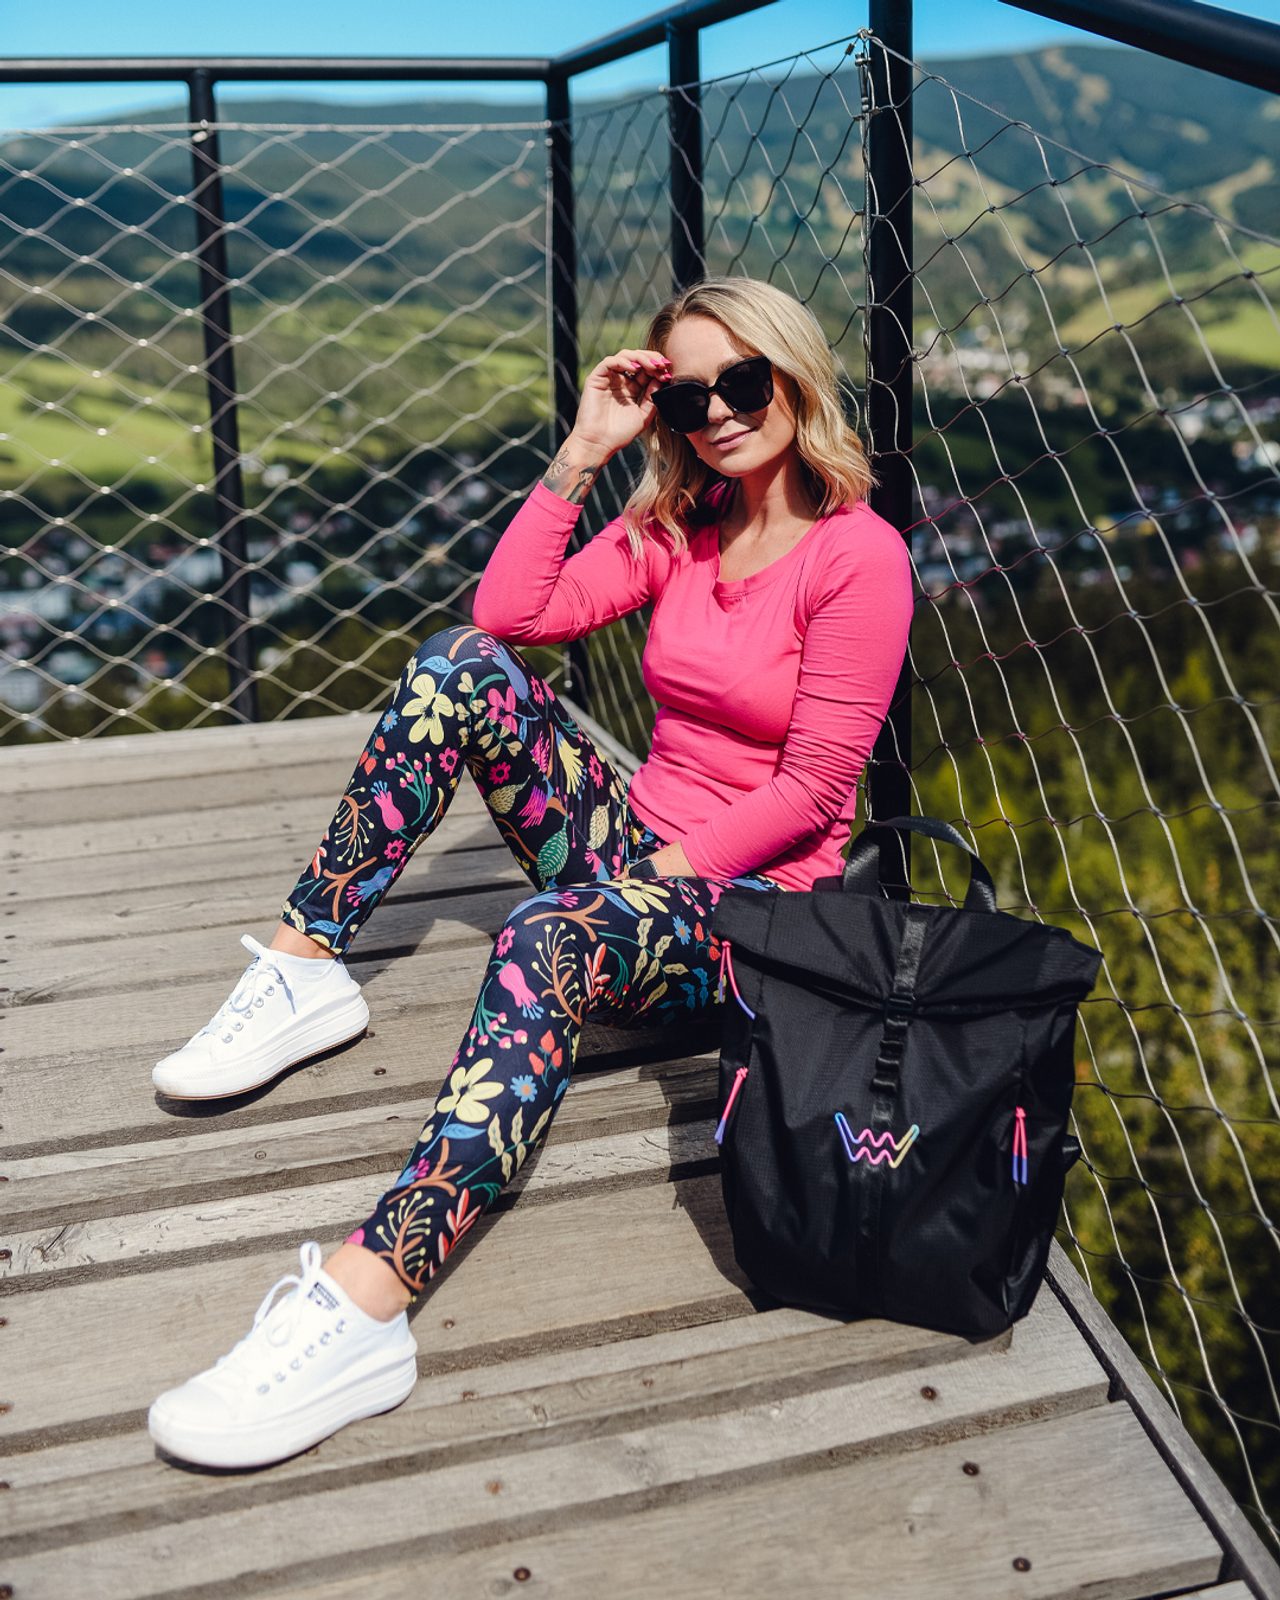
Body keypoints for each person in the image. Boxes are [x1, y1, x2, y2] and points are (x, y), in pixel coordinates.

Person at [146, 274, 914, 1470]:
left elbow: (812, 793)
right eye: (688, 397)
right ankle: (305, 964)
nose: (716, 412)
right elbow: (510, 615)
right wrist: (585, 449)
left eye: (741, 382)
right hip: (639, 850)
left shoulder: (858, 556)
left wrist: (648, 878)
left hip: (751, 910)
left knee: (544, 934)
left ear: (795, 375)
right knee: (456, 664)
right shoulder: (686, 522)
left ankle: (364, 1303)